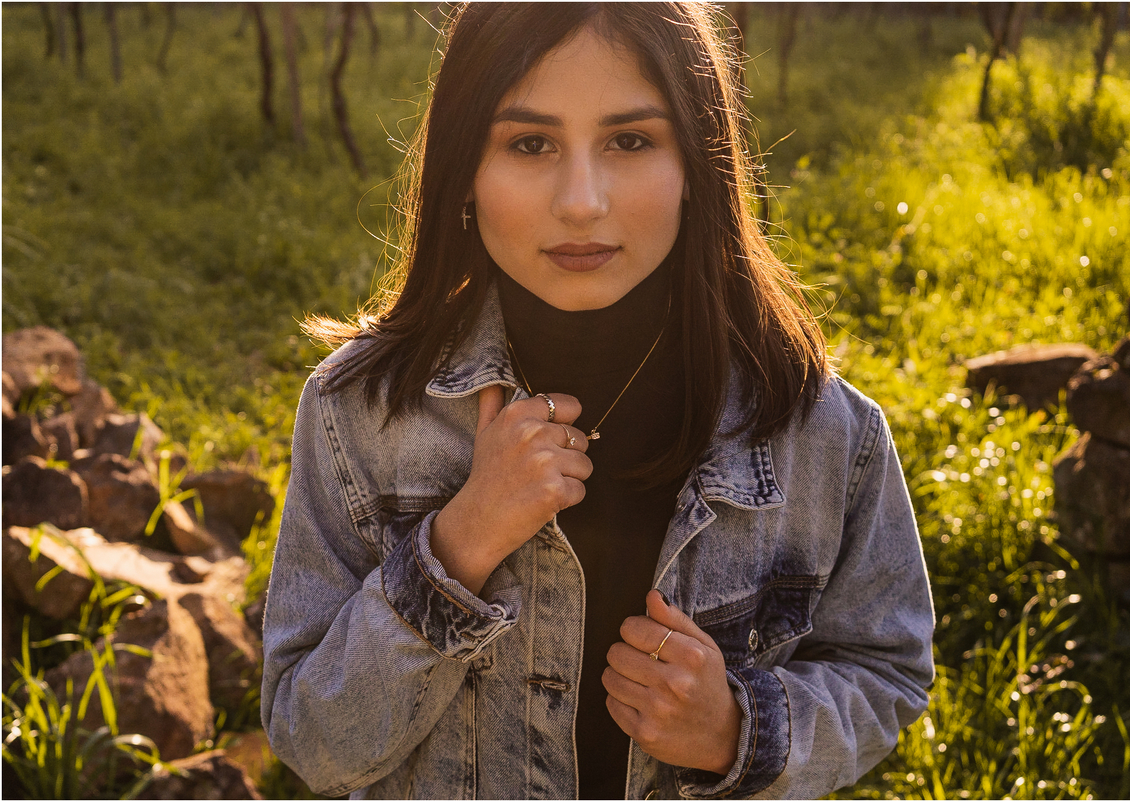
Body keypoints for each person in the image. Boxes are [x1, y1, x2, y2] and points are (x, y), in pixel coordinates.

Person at [260, 3, 935, 799]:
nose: (581, 201)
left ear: (699, 166)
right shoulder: (359, 412)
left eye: (630, 141)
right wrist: (460, 543)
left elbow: (886, 672)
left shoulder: (820, 429)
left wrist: (737, 730)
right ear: (464, 170)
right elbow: (314, 741)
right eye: (530, 144)